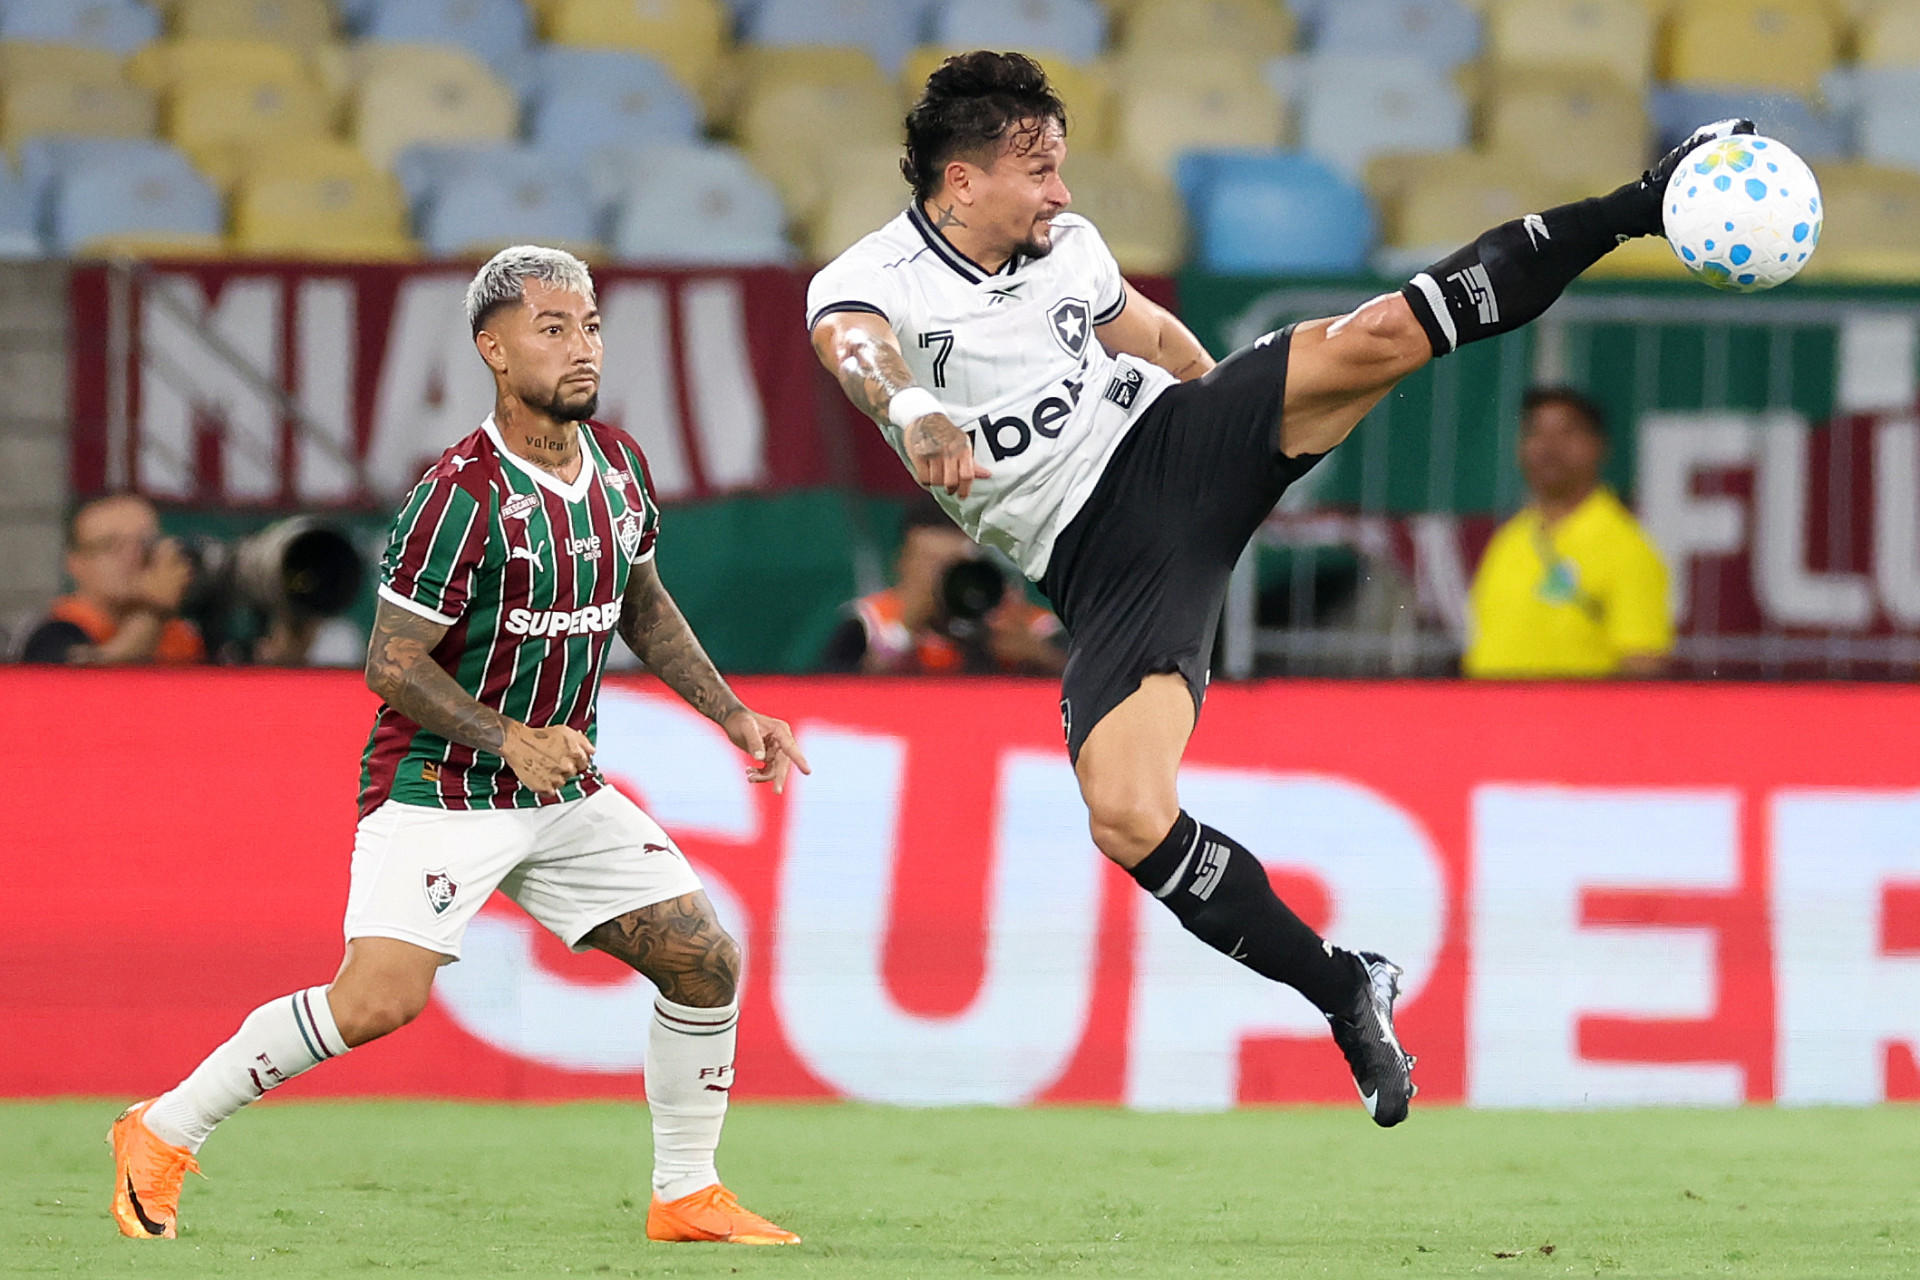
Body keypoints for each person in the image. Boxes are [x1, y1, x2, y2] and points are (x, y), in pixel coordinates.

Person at [809, 49, 1748, 1128]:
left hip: (1173, 448)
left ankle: (1645, 201)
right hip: (1101, 563)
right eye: (1039, 171)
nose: (1062, 193)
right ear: (961, 181)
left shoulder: (1068, 246)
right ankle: (1347, 987)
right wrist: (913, 411)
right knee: (1125, 812)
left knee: (1392, 330)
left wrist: (1234, 418)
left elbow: (1148, 336)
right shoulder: (866, 281)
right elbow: (856, 351)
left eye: (1062, 168)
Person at [110, 247, 810, 1247]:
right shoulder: (457, 493)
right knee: (376, 1002)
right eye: (552, 328)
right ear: (493, 347)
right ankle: (160, 1128)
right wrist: (509, 736)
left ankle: (686, 1192)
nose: (581, 347)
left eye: (592, 326)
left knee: (703, 961)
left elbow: (642, 606)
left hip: (561, 790)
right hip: (441, 788)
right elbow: (392, 664)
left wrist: (733, 712)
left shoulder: (619, 465)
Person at [1464, 387, 1673, 678]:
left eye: (1567, 433)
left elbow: (1643, 662)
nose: (1549, 447)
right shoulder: (1510, 539)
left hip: (1571, 721)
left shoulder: (1626, 546)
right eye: (1535, 433)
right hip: (1490, 716)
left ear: (1599, 446)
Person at [818, 496, 1066, 674]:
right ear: (902, 563)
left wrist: (1038, 655)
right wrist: (902, 632)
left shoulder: (1020, 622)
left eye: (954, 565)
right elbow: (834, 700)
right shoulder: (871, 625)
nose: (941, 577)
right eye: (930, 563)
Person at [20, 493, 202, 664]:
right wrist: (152, 611)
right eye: (110, 545)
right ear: (75, 563)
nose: (132, 556)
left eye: (146, 543)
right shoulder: (54, 634)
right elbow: (82, 674)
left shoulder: (184, 633)